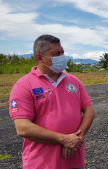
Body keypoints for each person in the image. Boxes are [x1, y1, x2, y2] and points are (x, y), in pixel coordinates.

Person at [9, 34, 95, 169]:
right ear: (39, 57)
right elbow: (22, 128)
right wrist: (64, 139)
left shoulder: (73, 81)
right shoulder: (24, 85)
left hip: (73, 159)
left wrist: (77, 138)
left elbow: (89, 111)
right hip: (41, 163)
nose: (61, 57)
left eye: (62, 53)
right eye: (56, 54)